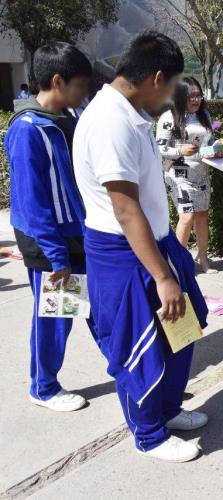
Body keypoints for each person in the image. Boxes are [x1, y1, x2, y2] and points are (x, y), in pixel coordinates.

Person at [73, 31, 209, 463]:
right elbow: (125, 210)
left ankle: (168, 410)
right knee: (142, 345)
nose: (171, 96)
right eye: (171, 87)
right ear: (155, 78)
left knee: (182, 331)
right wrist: (163, 277)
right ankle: (148, 434)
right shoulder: (111, 122)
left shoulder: (129, 114)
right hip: (126, 253)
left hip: (157, 245)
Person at [5, 42, 92, 412]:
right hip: (49, 244)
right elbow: (32, 202)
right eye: (80, 85)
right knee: (56, 316)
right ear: (58, 80)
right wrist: (57, 257)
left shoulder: (65, 121)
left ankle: (131, 375)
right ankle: (43, 386)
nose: (84, 93)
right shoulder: (28, 130)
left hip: (76, 233)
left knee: (95, 310)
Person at [156, 76, 217, 273]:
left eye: (198, 95)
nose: (195, 100)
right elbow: (159, 148)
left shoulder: (205, 115)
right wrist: (179, 151)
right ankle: (176, 264)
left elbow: (209, 143)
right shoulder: (168, 117)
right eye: (191, 96)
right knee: (187, 216)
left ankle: (203, 260)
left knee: (201, 215)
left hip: (201, 172)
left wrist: (216, 151)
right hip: (177, 174)